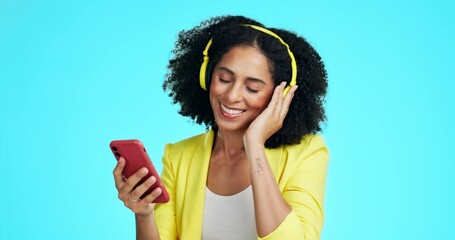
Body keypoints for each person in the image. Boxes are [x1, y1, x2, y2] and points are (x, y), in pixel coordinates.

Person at [113, 15, 329, 240]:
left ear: (279, 97)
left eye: (252, 88)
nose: (232, 95)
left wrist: (255, 143)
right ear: (207, 76)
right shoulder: (179, 157)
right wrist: (144, 214)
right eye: (224, 78)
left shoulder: (307, 153)